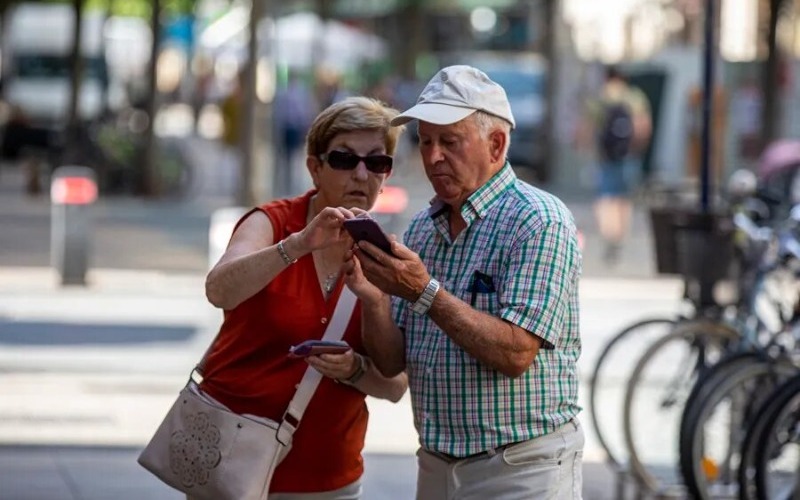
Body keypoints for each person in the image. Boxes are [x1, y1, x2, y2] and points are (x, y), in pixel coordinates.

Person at [343, 65, 584, 499]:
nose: (433, 157)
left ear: (496, 145)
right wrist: (374, 297)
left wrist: (423, 291)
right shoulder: (422, 228)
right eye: (426, 141)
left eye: (449, 142)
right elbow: (392, 363)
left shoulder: (538, 220)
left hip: (520, 467)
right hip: (436, 463)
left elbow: (515, 353)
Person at [202, 96, 409, 499]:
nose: (362, 175)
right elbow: (218, 290)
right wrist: (296, 245)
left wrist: (353, 367)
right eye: (344, 160)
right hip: (232, 460)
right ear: (315, 167)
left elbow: (395, 385)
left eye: (377, 163)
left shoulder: (387, 254)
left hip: (328, 476)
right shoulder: (274, 222)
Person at [582, 66, 652, 264]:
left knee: (605, 197)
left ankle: (609, 234)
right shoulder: (634, 96)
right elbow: (643, 125)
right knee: (624, 197)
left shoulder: (601, 97)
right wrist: (638, 146)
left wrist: (588, 147)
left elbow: (589, 126)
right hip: (629, 153)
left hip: (605, 156)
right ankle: (620, 235)